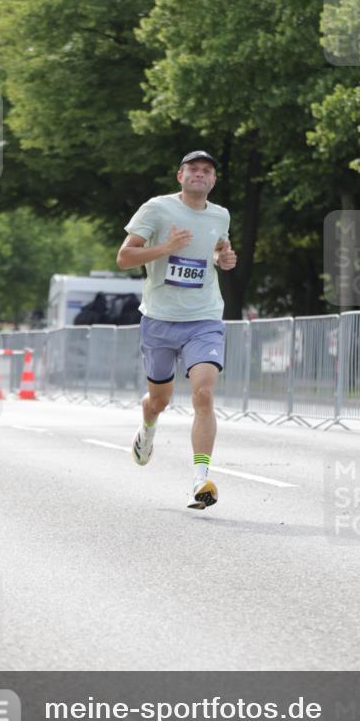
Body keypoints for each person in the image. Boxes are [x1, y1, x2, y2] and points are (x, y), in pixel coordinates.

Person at [117, 150, 237, 509]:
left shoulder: (220, 214)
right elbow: (124, 257)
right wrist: (166, 248)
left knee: (203, 395)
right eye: (193, 170)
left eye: (207, 171)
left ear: (213, 180)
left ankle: (201, 479)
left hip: (204, 318)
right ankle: (147, 427)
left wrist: (223, 259)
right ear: (179, 176)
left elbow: (218, 248)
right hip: (159, 320)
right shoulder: (156, 209)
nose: (200, 175)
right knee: (160, 400)